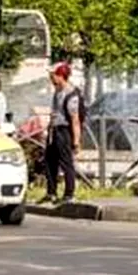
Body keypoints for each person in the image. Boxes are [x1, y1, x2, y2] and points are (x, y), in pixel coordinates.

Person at [41, 62, 82, 205]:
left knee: (66, 163)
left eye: (52, 75)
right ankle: (51, 192)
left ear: (60, 76)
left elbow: (75, 119)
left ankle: (69, 194)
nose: (50, 77)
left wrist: (76, 141)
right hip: (55, 130)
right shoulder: (58, 91)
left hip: (64, 131)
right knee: (49, 161)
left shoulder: (70, 94)